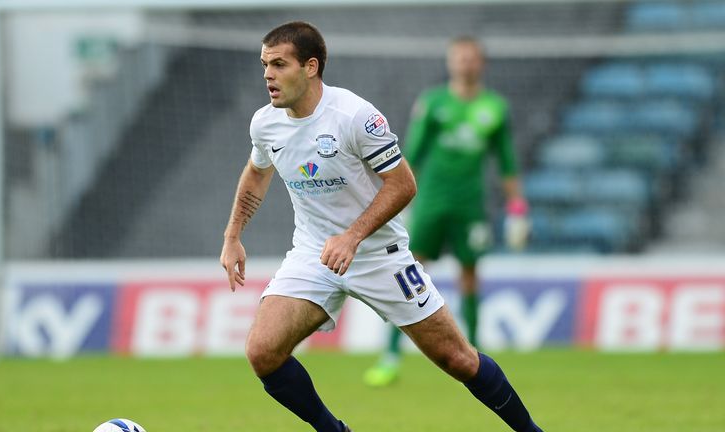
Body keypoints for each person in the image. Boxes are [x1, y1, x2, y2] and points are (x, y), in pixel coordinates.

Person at [220, 22, 543, 432]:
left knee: (458, 359)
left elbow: (404, 184)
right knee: (263, 351)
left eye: (279, 64)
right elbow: (256, 172)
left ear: (310, 67)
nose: (267, 74)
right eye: (265, 64)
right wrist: (233, 236)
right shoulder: (266, 124)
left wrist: (353, 237)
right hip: (313, 254)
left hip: (378, 256)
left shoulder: (354, 116)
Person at [364, 36, 530, 388]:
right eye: (459, 58)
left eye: (471, 59)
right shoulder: (433, 103)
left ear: (480, 63)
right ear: (451, 63)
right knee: (409, 274)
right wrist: (399, 206)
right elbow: (410, 157)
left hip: (470, 203)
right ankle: (391, 356)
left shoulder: (495, 107)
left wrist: (517, 209)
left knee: (470, 272)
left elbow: (507, 163)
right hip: (431, 202)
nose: (465, 64)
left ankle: (476, 355)